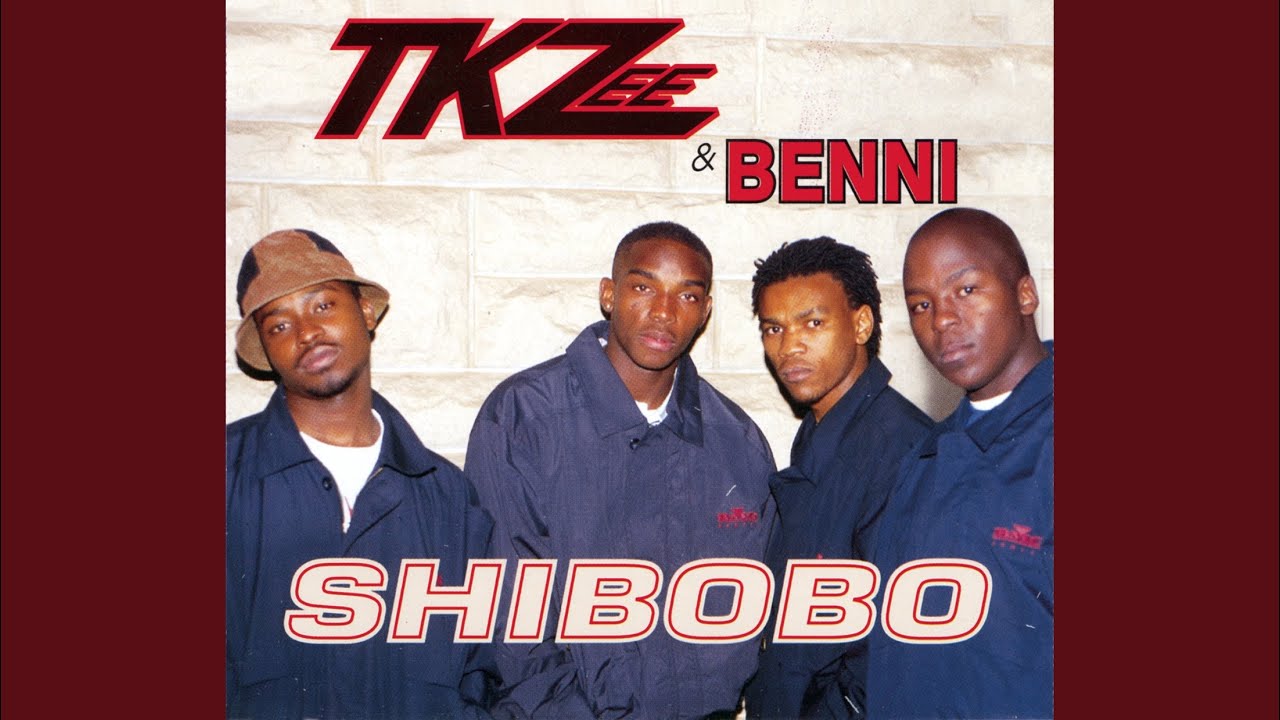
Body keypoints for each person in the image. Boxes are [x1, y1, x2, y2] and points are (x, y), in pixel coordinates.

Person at [465, 221, 777, 719]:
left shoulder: (736, 441)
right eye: (643, 287)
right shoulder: (524, 417)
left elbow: (752, 610)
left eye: (687, 296)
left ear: (705, 312)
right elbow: (511, 619)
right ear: (609, 295)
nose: (664, 312)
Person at [225, 229, 496, 719]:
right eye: (279, 325)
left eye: (323, 305)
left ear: (366, 313)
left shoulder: (447, 496)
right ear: (266, 350)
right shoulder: (228, 474)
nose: (306, 332)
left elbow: (480, 672)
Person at [864, 208, 1053, 718]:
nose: (941, 319)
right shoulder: (924, 460)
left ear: (1025, 294)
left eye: (965, 290)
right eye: (921, 304)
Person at [743, 238, 934, 719]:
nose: (789, 346)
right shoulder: (821, 432)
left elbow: (899, 647)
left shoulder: (902, 449)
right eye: (773, 328)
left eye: (813, 323)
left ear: (861, 324)